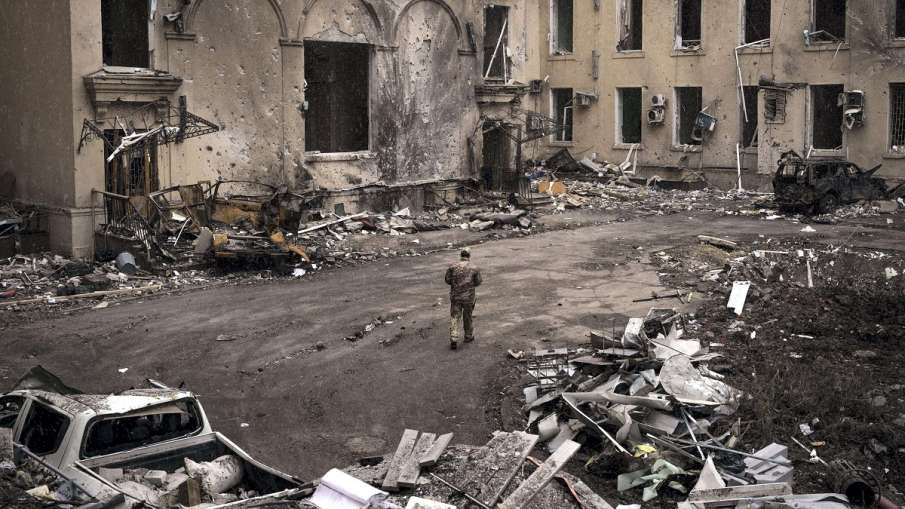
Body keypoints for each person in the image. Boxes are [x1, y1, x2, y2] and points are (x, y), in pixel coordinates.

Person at [444, 248, 482, 350]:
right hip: (468, 297)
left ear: (460, 255)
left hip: (455, 296)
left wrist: (456, 284)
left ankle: (454, 337)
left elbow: (447, 280)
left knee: (455, 316)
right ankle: (468, 336)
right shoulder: (474, 268)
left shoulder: (452, 267)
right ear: (469, 256)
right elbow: (478, 282)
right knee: (467, 316)